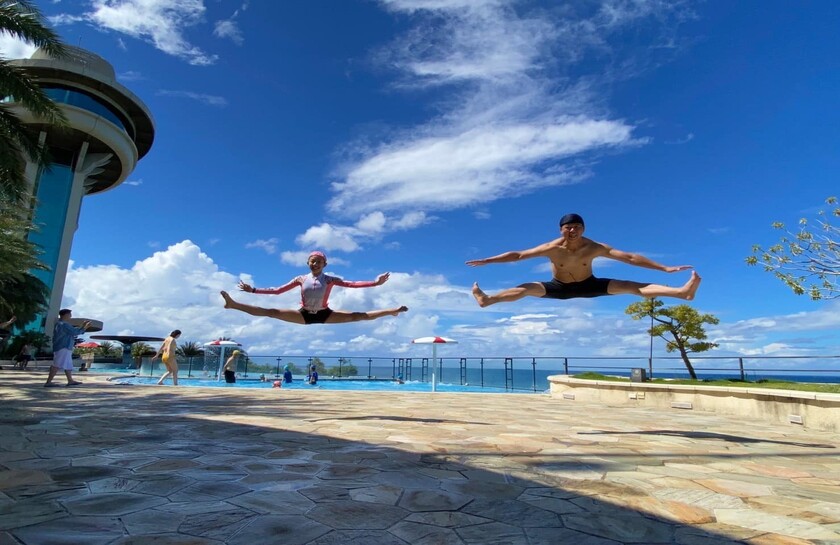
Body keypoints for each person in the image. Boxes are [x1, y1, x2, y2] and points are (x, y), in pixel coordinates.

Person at [467, 213, 701, 307]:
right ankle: (487, 300)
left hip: (590, 284)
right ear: (561, 230)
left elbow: (629, 257)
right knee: (526, 288)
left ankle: (682, 293)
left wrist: (665, 267)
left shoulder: (594, 247)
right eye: (569, 227)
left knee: (632, 286)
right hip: (559, 287)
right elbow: (518, 255)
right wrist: (488, 260)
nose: (573, 231)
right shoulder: (552, 248)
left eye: (577, 227)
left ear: (583, 229)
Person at [220, 251, 408, 325]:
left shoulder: (330, 279)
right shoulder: (301, 279)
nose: (315, 263)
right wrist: (253, 290)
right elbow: (277, 291)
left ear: (325, 264)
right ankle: (233, 304)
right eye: (312, 261)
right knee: (271, 312)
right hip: (304, 314)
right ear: (308, 263)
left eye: (319, 261)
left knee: (358, 316)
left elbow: (352, 284)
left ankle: (391, 311)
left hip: (325, 313)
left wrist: (375, 283)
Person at [44, 309, 90, 387]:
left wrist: (82, 326)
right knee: (56, 364)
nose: (70, 316)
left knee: (68, 365)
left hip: (63, 347)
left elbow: (72, 331)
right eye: (69, 314)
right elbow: (75, 332)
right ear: (65, 315)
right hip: (63, 346)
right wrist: (84, 327)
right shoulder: (64, 324)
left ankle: (70, 380)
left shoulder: (59, 324)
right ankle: (48, 382)